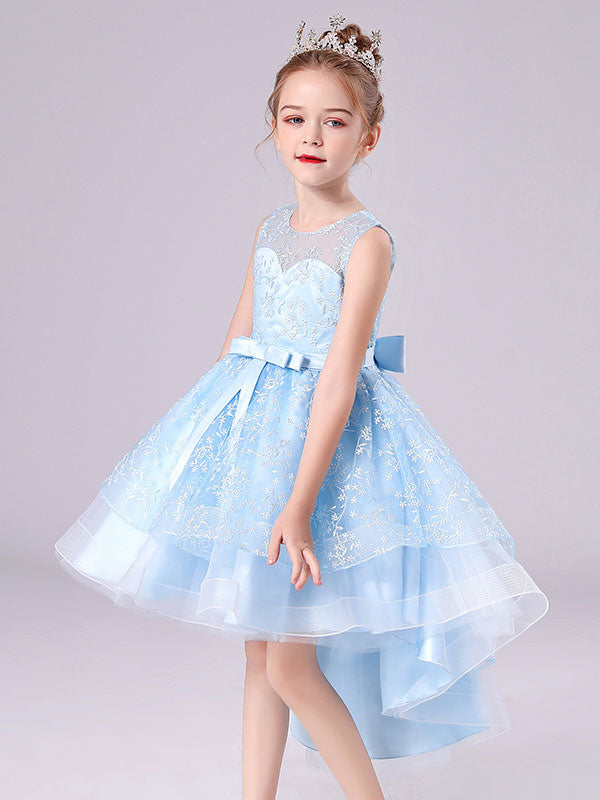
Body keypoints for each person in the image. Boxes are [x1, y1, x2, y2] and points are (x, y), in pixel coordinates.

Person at [54, 13, 549, 800]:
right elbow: (234, 350)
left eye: (335, 121)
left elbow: (340, 380)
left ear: (369, 138)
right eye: (294, 118)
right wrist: (213, 459)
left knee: (290, 663)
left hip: (323, 460)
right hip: (257, 449)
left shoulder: (367, 241)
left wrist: (298, 503)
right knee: (261, 655)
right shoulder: (269, 230)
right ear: (274, 128)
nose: (312, 135)